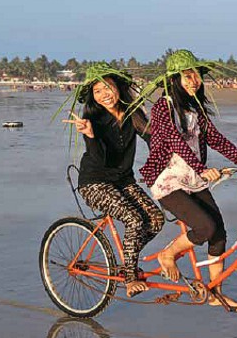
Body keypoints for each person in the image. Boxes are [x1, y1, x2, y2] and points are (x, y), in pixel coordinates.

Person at [136, 50, 237, 312]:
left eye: (196, 75)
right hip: (168, 181)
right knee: (204, 227)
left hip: (194, 178)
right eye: (187, 75)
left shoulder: (194, 107)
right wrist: (202, 169)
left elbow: (214, 138)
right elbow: (176, 142)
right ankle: (167, 254)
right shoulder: (163, 108)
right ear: (174, 80)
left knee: (219, 233)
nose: (194, 80)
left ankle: (215, 292)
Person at [61, 63, 165, 297]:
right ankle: (129, 277)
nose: (104, 95)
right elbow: (100, 159)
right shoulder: (93, 119)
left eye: (108, 87)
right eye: (97, 91)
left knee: (157, 220)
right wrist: (90, 136)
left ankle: (128, 261)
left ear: (118, 87)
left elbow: (151, 138)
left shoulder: (132, 113)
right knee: (134, 220)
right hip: (94, 182)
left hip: (123, 180)